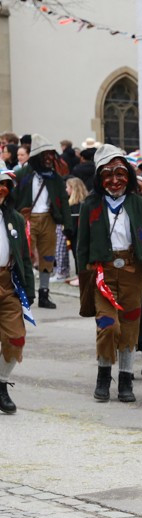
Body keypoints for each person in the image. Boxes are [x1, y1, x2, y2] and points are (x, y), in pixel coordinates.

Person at [75, 144, 142, 403]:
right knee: (108, 326)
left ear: (128, 174)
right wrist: (84, 282)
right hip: (101, 274)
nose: (115, 180)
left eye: (120, 173)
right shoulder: (90, 205)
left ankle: (125, 379)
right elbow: (82, 247)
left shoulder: (139, 204)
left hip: (132, 273)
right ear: (100, 177)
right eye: (108, 174)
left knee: (129, 328)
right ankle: (104, 376)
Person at [15, 134, 74, 310]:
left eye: (51, 154)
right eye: (45, 154)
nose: (49, 158)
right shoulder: (23, 175)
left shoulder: (54, 177)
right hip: (27, 219)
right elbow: (13, 196)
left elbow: (63, 200)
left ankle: (44, 293)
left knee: (48, 257)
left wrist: (68, 225)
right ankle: (21, 291)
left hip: (49, 219)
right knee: (23, 256)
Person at [0, 169, 33, 413]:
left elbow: (24, 257)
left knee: (16, 337)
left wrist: (29, 291)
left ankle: (1, 384)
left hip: (8, 283)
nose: (2, 188)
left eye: (5, 184)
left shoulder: (15, 219)